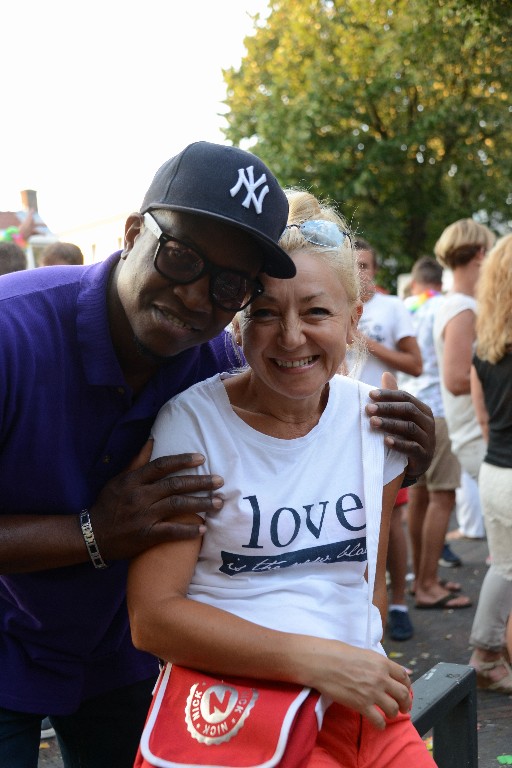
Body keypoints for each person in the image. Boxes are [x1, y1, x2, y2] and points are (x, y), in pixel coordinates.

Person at [0, 141, 435, 768]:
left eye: (230, 283)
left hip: (122, 661)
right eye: (180, 257)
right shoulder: (16, 336)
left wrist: (404, 456)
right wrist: (90, 533)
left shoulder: (221, 361)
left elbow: (294, 405)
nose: (197, 297)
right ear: (132, 233)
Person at [127, 189, 435, 768]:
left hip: (361, 706)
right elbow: (153, 617)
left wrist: (362, 658)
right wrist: (317, 660)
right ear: (237, 327)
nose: (292, 337)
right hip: (236, 704)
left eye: (316, 311)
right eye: (266, 313)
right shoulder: (192, 424)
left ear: (353, 321)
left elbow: (361, 581)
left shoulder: (378, 419)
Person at [349, 239, 422, 642]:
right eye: (352, 264)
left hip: (381, 424)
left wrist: (367, 342)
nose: (359, 272)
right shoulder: (332, 297)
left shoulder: (392, 308)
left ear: (375, 269)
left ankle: (396, 605)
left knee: (391, 521)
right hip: (334, 422)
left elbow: (416, 363)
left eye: (365, 265)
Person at [398, 257, 471, 610]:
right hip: (438, 409)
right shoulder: (446, 306)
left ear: (415, 283)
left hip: (412, 404)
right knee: (443, 497)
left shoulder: (408, 306)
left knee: (420, 497)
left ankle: (422, 578)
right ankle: (427, 584)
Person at [466, 234, 512, 693]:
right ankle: (485, 653)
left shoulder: (485, 347)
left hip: (496, 471)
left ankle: (485, 652)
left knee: (505, 566)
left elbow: (483, 419)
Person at [433, 218, 495, 542]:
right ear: (481, 253)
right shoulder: (462, 307)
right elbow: (457, 379)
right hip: (477, 436)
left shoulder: (457, 303)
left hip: (474, 434)